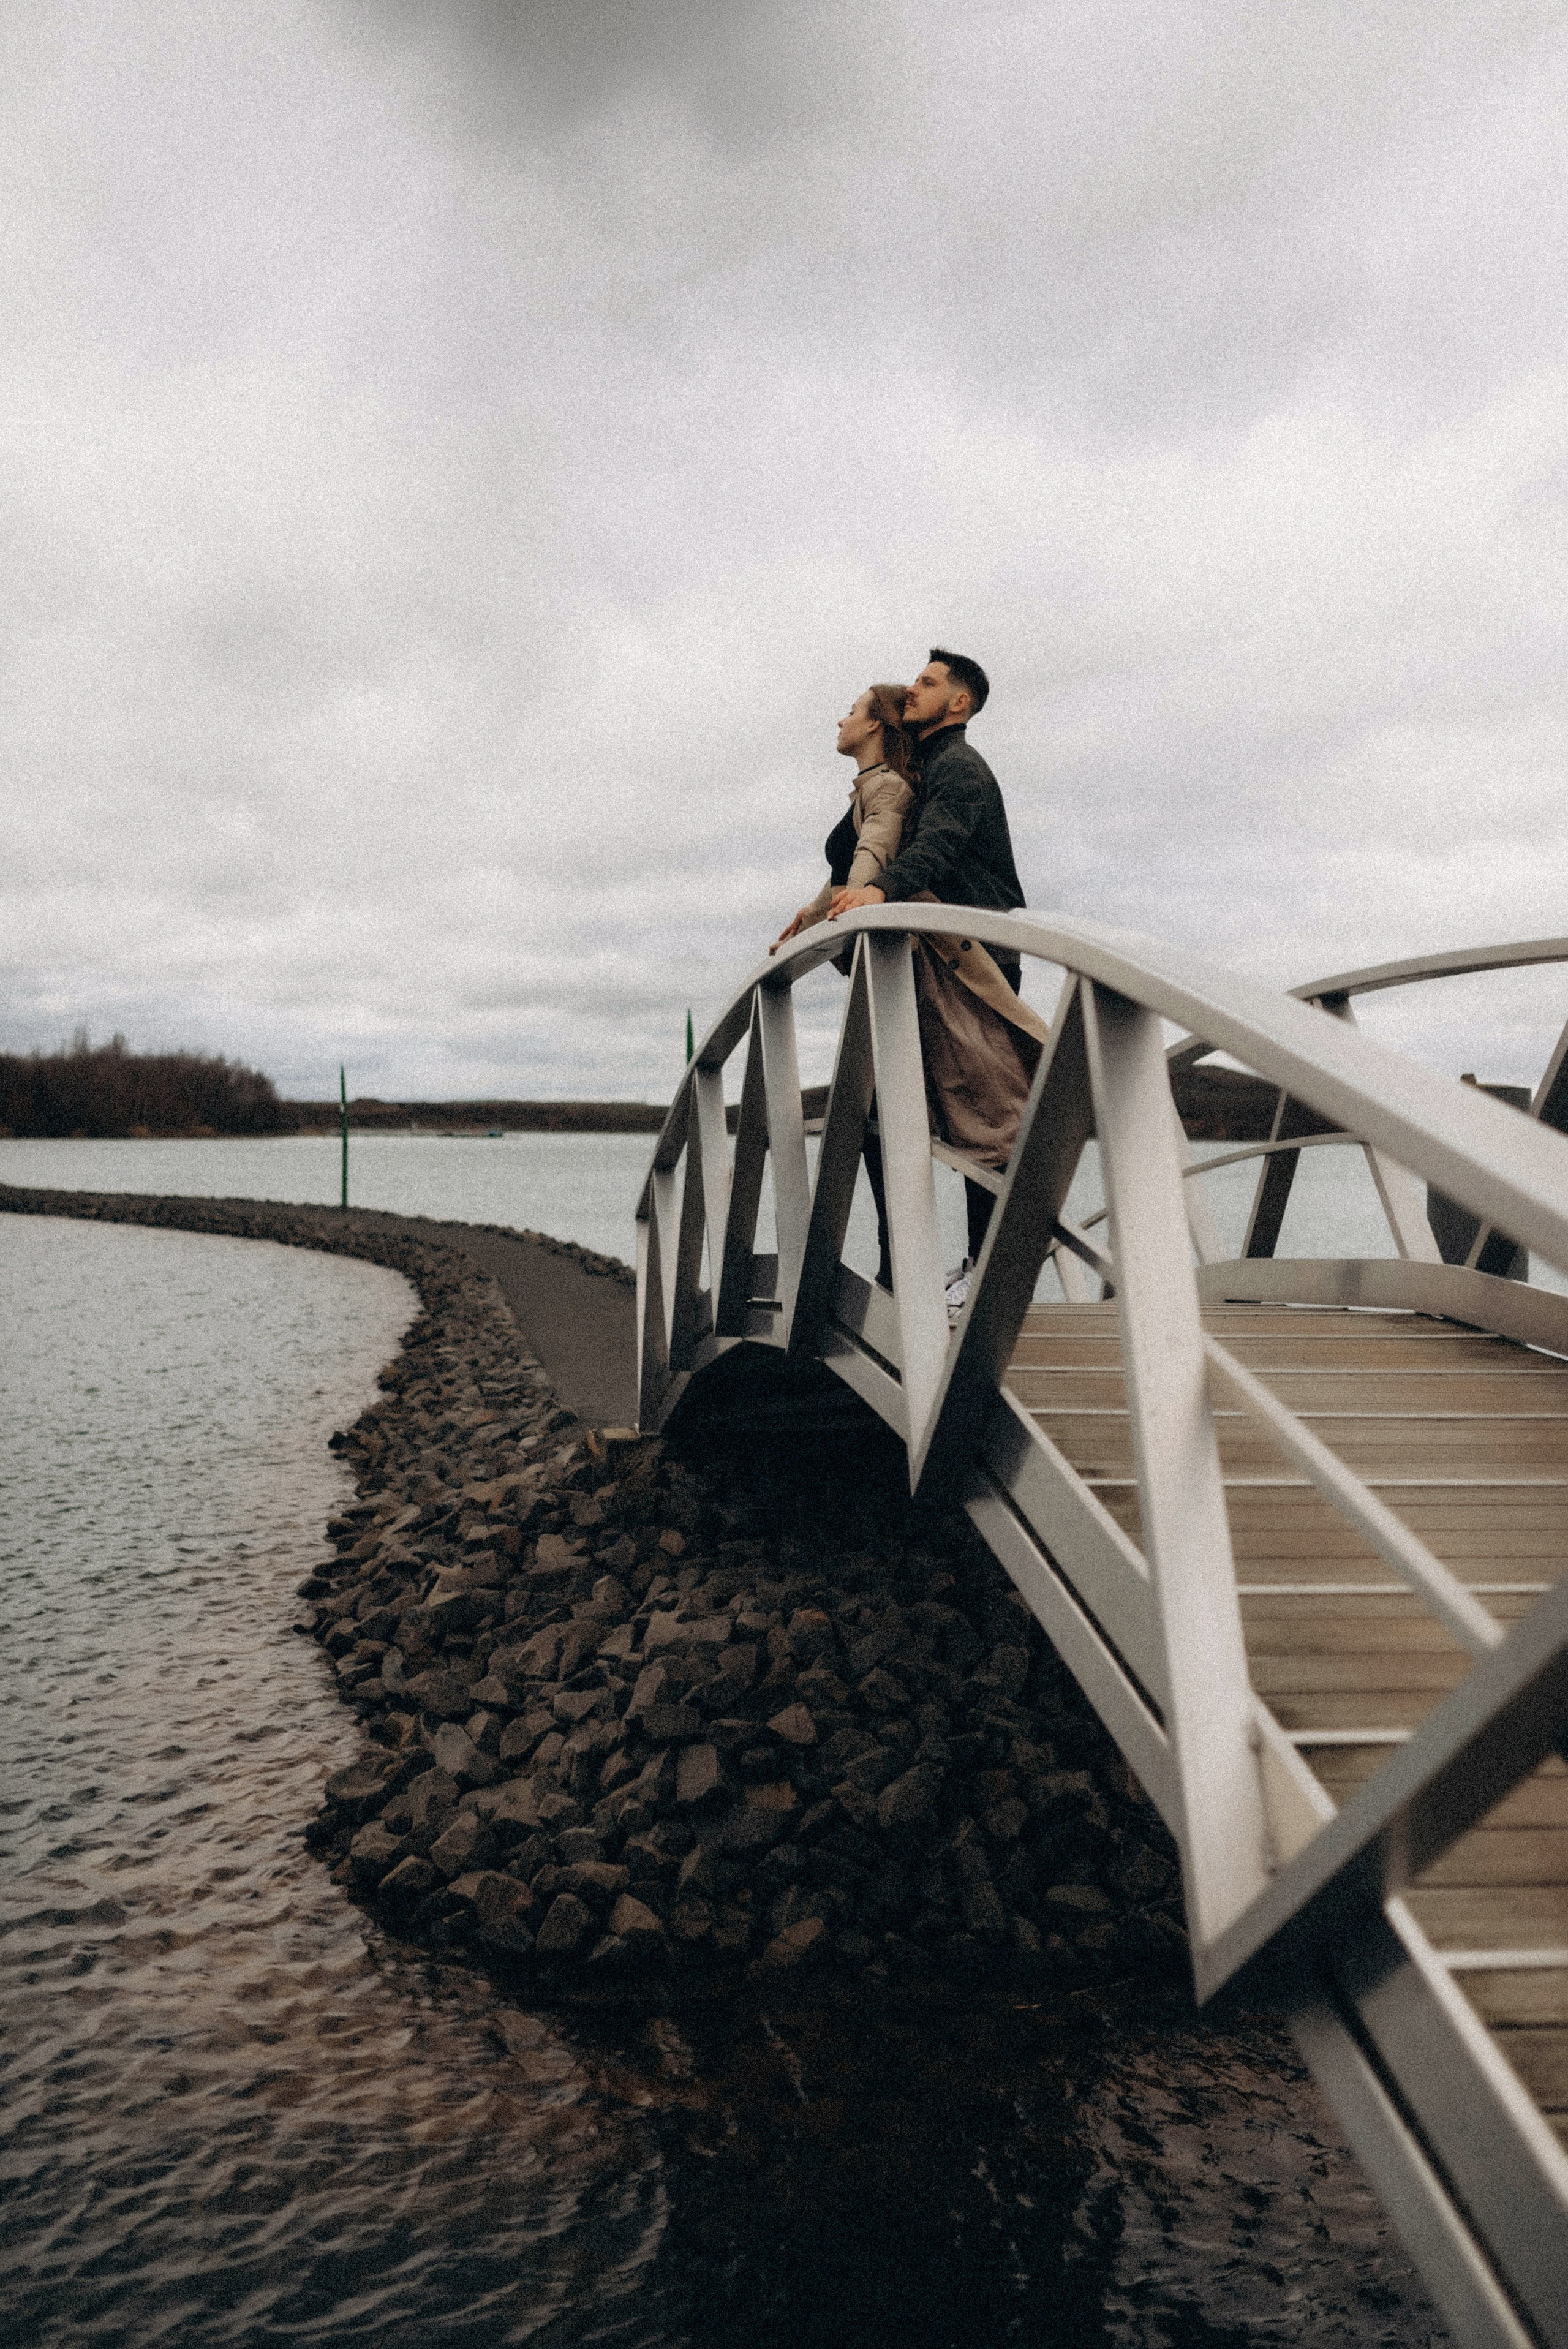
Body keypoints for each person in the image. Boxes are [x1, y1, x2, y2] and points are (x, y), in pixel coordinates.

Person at [830, 650, 1034, 1300]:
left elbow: (937, 846)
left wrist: (882, 889)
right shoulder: (919, 771)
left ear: (959, 703)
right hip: (936, 958)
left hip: (974, 963)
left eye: (928, 682)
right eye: (913, 682)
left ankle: (984, 1275)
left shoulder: (961, 769)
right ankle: (903, 1273)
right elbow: (856, 850)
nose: (913, 687)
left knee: (986, 1122)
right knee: (876, 1115)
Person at [771, 685, 916, 952]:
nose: (841, 721)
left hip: (881, 953)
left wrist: (853, 906)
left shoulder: (888, 787)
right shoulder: (872, 788)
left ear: (874, 724)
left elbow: (873, 854)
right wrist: (802, 929)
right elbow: (846, 867)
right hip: (863, 946)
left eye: (852, 712)